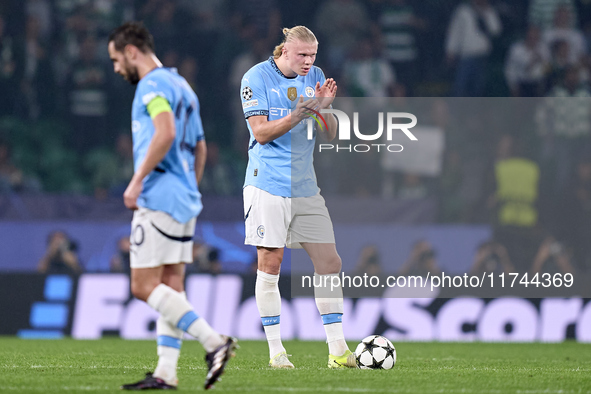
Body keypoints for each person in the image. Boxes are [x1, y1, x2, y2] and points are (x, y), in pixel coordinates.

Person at [107, 22, 236, 391]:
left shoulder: (151, 86)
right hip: (183, 197)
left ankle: (215, 342)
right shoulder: (184, 87)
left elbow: (164, 132)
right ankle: (166, 373)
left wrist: (136, 181)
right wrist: (189, 189)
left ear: (132, 52)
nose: (116, 68)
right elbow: (201, 148)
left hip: (159, 195)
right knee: (170, 286)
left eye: (117, 60)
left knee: (143, 286)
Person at [240, 26, 356, 369]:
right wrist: (298, 114)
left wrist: (324, 109)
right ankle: (277, 352)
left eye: (313, 56)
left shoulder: (315, 77)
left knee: (330, 263)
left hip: (306, 186)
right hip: (267, 184)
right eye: (302, 55)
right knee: (271, 263)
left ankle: (337, 351)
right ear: (284, 51)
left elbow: (332, 135)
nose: (308, 62)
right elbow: (260, 133)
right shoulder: (256, 77)